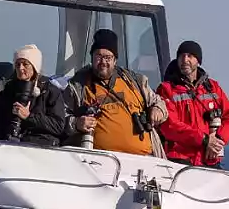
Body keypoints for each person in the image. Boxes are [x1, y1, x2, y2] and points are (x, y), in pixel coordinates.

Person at [62, 28, 168, 156]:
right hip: (96, 162)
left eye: (108, 57)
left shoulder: (135, 81)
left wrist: (157, 110)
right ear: (92, 57)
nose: (103, 62)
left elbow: (159, 102)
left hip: (143, 161)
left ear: (115, 60)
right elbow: (60, 119)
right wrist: (77, 124)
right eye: (99, 56)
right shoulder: (78, 85)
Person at [156, 40, 229, 168]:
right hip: (180, 161)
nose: (185, 60)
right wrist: (205, 140)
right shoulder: (167, 90)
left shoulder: (213, 88)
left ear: (198, 61)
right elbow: (169, 125)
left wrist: (218, 141)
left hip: (209, 159)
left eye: (190, 56)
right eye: (181, 56)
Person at [0, 44, 68, 147]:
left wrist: (29, 116)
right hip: (8, 147)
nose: (21, 68)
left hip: (41, 149)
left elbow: (58, 126)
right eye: (18, 64)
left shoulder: (50, 92)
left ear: (35, 67)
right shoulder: (7, 92)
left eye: (25, 64)